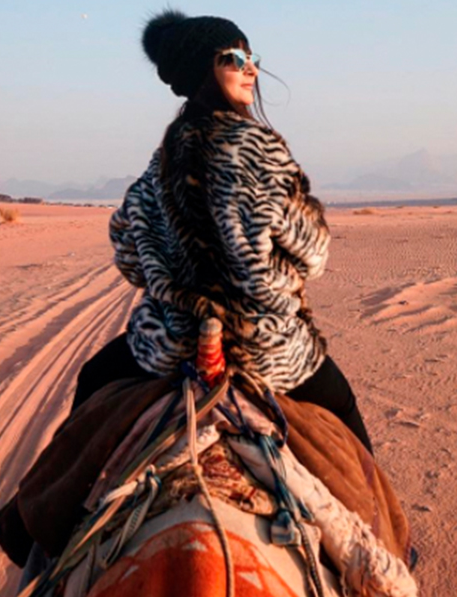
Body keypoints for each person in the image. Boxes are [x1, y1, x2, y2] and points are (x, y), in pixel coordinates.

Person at [73, 9, 375, 455]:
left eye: (250, 57)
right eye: (233, 58)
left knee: (92, 384)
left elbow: (129, 250)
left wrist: (170, 279)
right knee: (344, 414)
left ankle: (34, 518)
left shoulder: (163, 160)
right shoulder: (258, 147)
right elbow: (312, 252)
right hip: (264, 346)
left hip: (169, 347)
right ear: (203, 70)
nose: (251, 68)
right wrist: (276, 281)